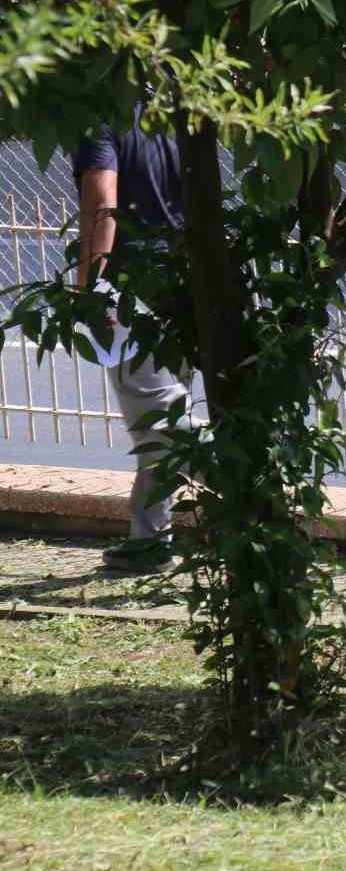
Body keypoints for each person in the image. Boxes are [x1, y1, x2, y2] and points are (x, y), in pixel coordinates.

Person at [72, 105, 193, 572]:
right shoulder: (166, 109)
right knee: (161, 421)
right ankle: (149, 538)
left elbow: (102, 203)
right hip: (179, 278)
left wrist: (89, 286)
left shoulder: (100, 118)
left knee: (161, 418)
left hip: (131, 285)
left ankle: (260, 484)